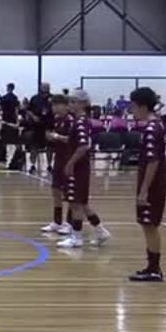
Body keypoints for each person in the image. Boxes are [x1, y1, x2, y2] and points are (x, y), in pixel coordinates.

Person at [123, 86, 166, 280]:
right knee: (147, 224)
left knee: (150, 224)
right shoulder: (156, 126)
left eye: (133, 107)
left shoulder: (151, 128)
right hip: (154, 182)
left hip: (153, 184)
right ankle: (152, 267)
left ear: (142, 106)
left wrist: (143, 191)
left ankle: (154, 269)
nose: (132, 111)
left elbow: (153, 161)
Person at [57, 90, 112, 249]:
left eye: (73, 102)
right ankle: (101, 231)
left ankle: (77, 237)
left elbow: (83, 146)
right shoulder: (78, 121)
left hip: (79, 168)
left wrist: (70, 163)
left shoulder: (81, 122)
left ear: (82, 104)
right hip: (79, 166)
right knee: (82, 203)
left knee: (75, 203)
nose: (70, 105)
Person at [41, 93, 74, 237]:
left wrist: (56, 137)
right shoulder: (56, 120)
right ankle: (57, 221)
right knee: (55, 189)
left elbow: (73, 140)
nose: (53, 108)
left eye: (56, 105)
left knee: (69, 192)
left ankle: (70, 223)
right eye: (52, 105)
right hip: (59, 158)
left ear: (65, 105)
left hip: (69, 159)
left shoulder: (70, 121)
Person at [25, 82, 54, 173]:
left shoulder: (53, 98)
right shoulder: (35, 98)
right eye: (44, 87)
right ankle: (33, 165)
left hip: (49, 126)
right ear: (40, 88)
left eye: (47, 87)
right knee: (34, 147)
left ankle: (49, 165)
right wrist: (33, 117)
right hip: (37, 126)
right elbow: (28, 110)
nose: (46, 88)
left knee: (50, 147)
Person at [0, 83, 21, 148]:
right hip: (13, 119)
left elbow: (1, 109)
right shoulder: (15, 98)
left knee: (4, 138)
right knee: (15, 138)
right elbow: (16, 110)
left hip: (5, 119)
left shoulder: (3, 98)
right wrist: (17, 121)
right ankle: (19, 153)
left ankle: (3, 154)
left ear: (8, 88)